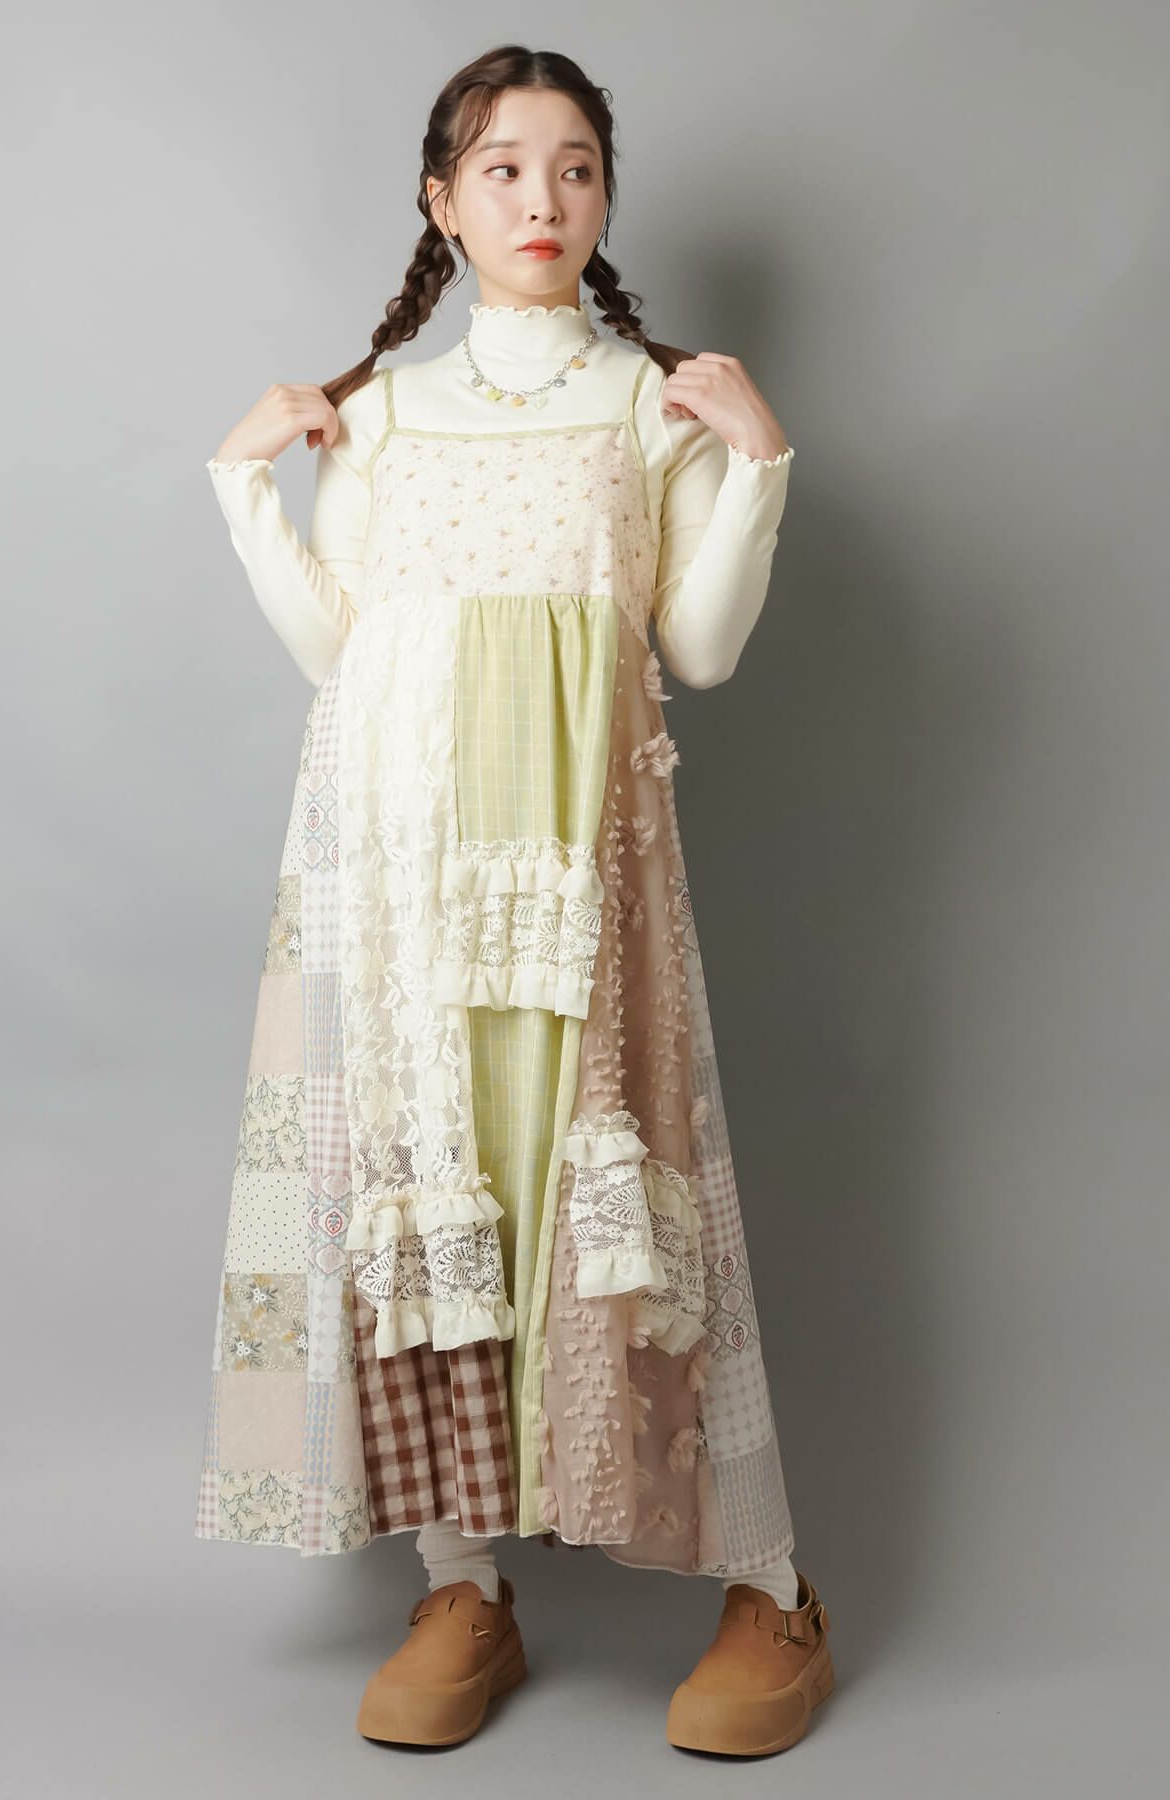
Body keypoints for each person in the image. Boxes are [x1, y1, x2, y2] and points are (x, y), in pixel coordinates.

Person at [196, 43, 834, 1757]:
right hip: (402, 874)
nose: (541, 198)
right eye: (502, 167)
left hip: (580, 874)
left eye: (574, 167)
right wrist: (245, 491)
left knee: (617, 1181)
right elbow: (342, 657)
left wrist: (759, 462)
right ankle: (463, 1579)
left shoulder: (646, 402)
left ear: (603, 197)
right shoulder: (386, 417)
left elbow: (699, 648)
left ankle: (769, 1583)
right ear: (442, 201)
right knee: (433, 1186)